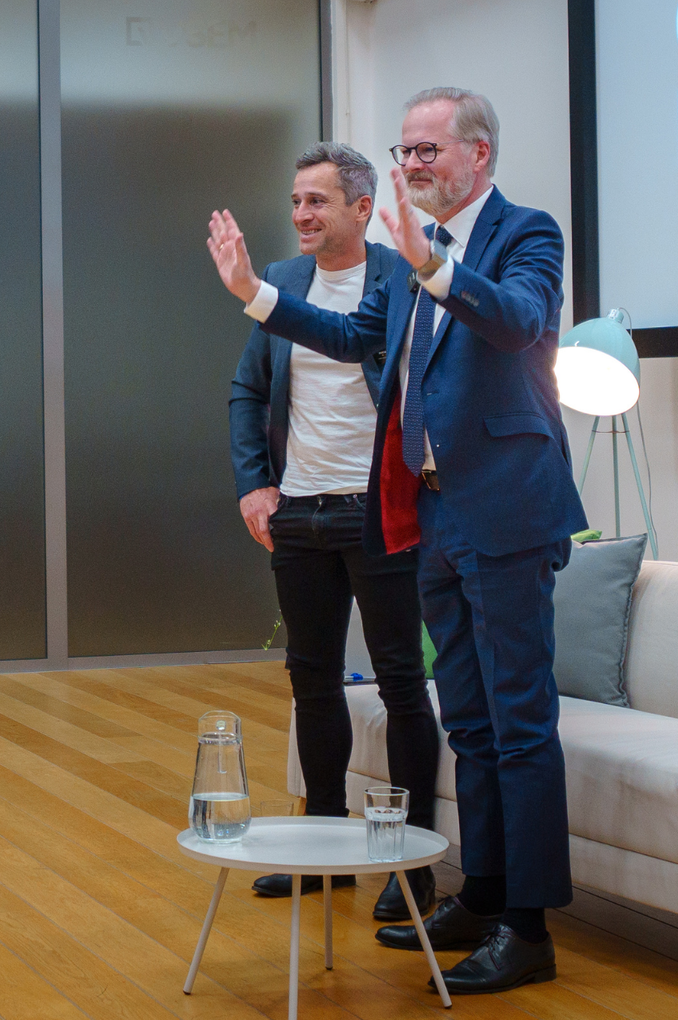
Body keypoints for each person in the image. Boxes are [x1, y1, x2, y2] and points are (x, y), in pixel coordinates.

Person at [209, 89, 588, 995]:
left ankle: (528, 927)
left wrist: (433, 266)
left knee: (519, 724)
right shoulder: (421, 255)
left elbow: (520, 322)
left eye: (428, 150)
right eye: (404, 151)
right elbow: (351, 337)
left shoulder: (524, 234)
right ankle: (482, 892)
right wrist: (256, 295)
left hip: (507, 513)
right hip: (436, 518)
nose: (412, 165)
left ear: (478, 154)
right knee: (470, 720)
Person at [229, 141, 439, 921]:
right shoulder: (283, 280)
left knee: (400, 683)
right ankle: (322, 851)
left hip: (376, 510)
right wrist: (255, 485)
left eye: (316, 201)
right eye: (295, 201)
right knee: (311, 682)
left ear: (362, 207)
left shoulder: (397, 277)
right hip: (300, 514)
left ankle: (410, 864)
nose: (300, 215)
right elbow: (248, 392)